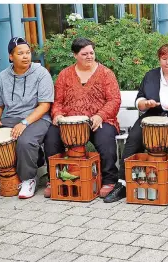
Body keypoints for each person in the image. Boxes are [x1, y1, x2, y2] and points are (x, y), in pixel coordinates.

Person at [104, 43, 168, 208]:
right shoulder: (150, 76)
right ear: (159, 59)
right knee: (134, 137)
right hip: (155, 116)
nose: (167, 63)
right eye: (164, 59)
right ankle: (122, 183)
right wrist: (146, 104)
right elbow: (139, 100)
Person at [44, 37, 121, 198]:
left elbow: (114, 100)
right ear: (75, 55)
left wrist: (101, 115)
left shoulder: (106, 74)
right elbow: (57, 101)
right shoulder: (65, 75)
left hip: (98, 121)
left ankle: (109, 180)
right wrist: (57, 114)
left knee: (105, 139)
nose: (89, 56)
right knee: (51, 137)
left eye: (91, 53)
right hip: (69, 123)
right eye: (84, 54)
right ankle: (55, 179)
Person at [0, 37, 54, 199]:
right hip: (11, 117)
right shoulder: (1, 78)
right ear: (11, 57)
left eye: (28, 52)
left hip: (38, 118)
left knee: (25, 141)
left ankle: (28, 178)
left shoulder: (41, 74)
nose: (26, 56)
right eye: (20, 53)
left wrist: (24, 123)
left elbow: (44, 106)